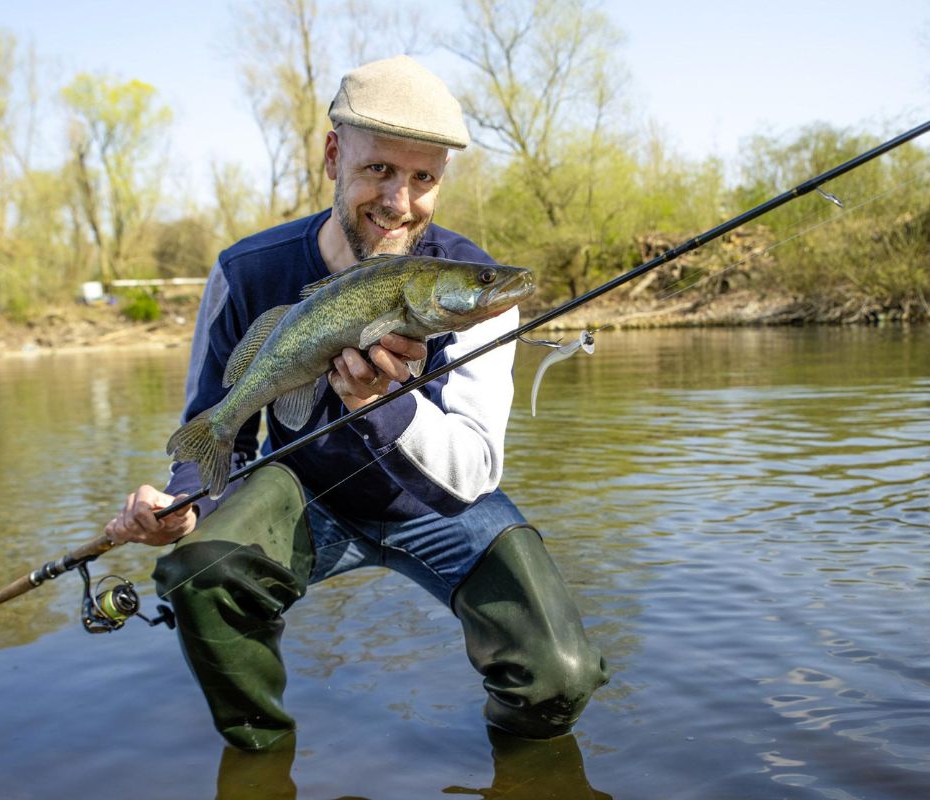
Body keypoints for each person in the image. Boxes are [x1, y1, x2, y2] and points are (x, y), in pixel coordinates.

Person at [105, 55, 608, 750]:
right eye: (379, 170)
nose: (399, 201)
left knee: (562, 674)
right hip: (302, 497)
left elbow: (475, 469)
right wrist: (183, 502)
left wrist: (385, 404)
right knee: (199, 573)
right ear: (333, 154)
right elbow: (217, 423)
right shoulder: (245, 271)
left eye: (423, 177)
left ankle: (522, 770)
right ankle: (262, 753)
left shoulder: (477, 293)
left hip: (438, 500)